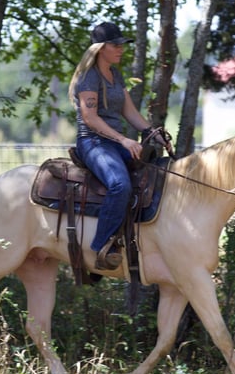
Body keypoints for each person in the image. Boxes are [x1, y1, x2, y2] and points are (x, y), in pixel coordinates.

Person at [67, 21, 165, 270]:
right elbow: (89, 118)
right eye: (115, 45)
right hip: (93, 142)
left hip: (113, 142)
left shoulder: (115, 74)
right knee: (120, 184)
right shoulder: (89, 77)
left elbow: (128, 110)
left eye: (122, 45)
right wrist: (123, 139)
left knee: (159, 170)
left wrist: (150, 132)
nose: (121, 49)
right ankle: (101, 246)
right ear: (101, 48)